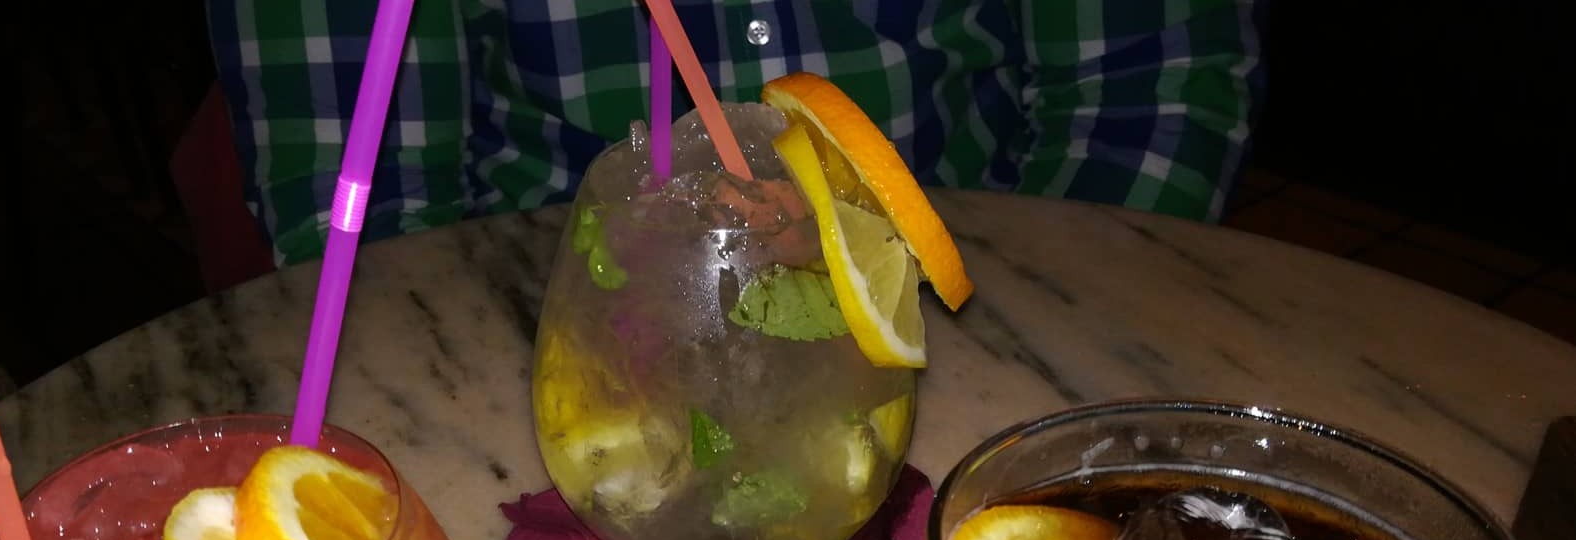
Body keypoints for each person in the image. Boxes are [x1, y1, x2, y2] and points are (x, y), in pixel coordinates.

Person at [202, 0, 1265, 267]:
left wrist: (1026, 340)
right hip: (548, 342)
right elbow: (365, 200)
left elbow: (1147, 87)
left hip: (969, 293)